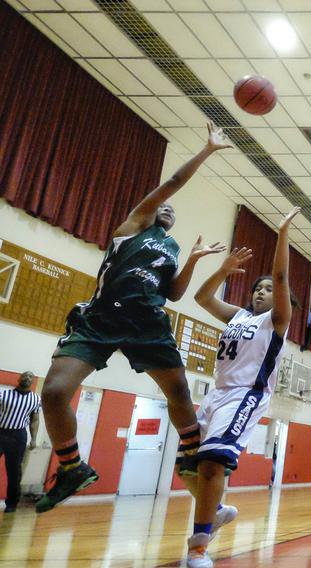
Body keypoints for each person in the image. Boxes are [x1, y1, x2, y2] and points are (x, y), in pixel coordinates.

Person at [37, 124, 231, 513]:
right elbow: (174, 181)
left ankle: (191, 457)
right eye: (162, 205)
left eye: (172, 210)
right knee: (55, 392)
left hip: (148, 323)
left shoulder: (171, 247)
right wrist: (208, 150)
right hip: (102, 317)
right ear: (147, 209)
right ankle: (72, 467)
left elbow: (174, 293)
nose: (168, 208)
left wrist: (192, 260)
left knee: (179, 393)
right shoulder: (131, 229)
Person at [182, 207, 299, 567]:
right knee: (188, 468)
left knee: (213, 463)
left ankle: (198, 546)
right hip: (216, 394)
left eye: (268, 289)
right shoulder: (238, 316)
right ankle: (215, 510)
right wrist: (221, 270)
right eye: (257, 288)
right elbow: (201, 299)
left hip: (246, 393)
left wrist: (281, 234)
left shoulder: (276, 320)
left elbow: (280, 276)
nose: (262, 292)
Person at [0, 371, 41, 513]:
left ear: (32, 381)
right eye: (25, 375)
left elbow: (35, 420)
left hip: (18, 436)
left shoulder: (35, 399)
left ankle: (11, 504)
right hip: (1, 431)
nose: (27, 378)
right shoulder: (3, 394)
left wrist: (34, 439)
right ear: (19, 378)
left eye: (31, 376)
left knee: (14, 472)